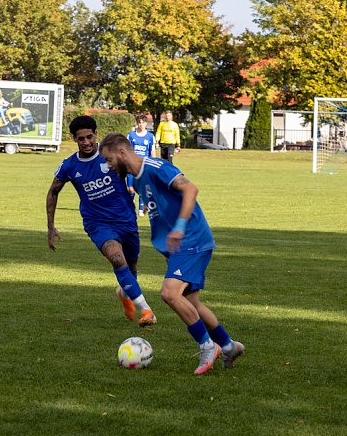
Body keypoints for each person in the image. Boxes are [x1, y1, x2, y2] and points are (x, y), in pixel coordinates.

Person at [98, 132, 245, 375]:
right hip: (179, 247)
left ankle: (208, 346)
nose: (109, 166)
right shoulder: (136, 178)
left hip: (191, 239)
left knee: (169, 293)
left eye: (109, 159)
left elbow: (191, 189)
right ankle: (229, 345)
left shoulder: (156, 166)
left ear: (122, 152)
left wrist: (178, 228)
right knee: (191, 302)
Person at [46, 115, 157, 327]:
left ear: (96, 134)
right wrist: (50, 227)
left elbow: (139, 172)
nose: (86, 142)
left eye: (89, 137)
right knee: (117, 258)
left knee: (131, 265)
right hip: (97, 223)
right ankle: (146, 310)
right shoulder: (69, 166)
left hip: (126, 220)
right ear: (74, 139)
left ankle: (125, 293)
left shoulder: (111, 155)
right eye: (81, 139)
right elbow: (52, 193)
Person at [126, 114, 156, 216]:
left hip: (144, 166)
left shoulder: (150, 136)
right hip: (132, 165)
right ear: (137, 123)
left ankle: (140, 209)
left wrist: (153, 164)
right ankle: (131, 206)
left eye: (143, 122)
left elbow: (152, 151)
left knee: (143, 187)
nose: (141, 124)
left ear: (146, 123)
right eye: (139, 122)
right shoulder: (131, 135)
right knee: (130, 189)